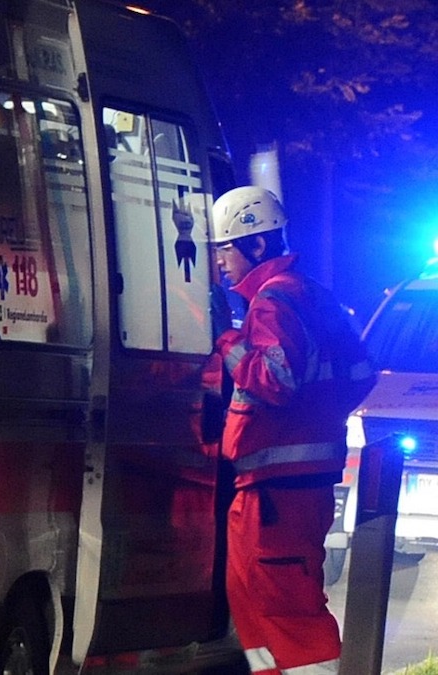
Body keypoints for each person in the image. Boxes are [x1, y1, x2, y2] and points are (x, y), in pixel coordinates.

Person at [210, 186, 376, 675]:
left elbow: (277, 379)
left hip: (276, 495)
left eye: (225, 248)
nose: (219, 261)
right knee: (258, 609)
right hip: (285, 488)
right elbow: (360, 374)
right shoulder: (311, 296)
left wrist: (227, 342)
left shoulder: (273, 301)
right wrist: (315, 420)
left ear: (256, 246)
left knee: (287, 613)